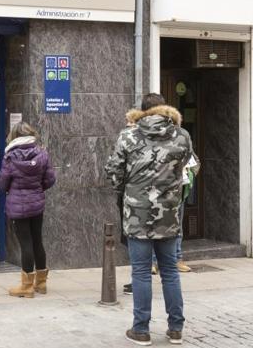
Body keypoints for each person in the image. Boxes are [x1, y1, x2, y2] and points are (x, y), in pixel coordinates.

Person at [105, 94, 193, 346]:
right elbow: (186, 164)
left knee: (141, 272)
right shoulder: (182, 135)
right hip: (169, 213)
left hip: (137, 214)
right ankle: (176, 328)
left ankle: (141, 329)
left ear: (142, 111)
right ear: (165, 108)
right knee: (170, 272)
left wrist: (129, 189)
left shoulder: (128, 136)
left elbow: (114, 174)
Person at [0, 122, 56, 298]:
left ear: (14, 136)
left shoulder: (10, 157)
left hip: (18, 205)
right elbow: (50, 179)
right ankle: (41, 282)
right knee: (37, 240)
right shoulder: (42, 153)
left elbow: (2, 184)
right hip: (37, 203)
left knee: (26, 243)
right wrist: (37, 189)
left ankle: (27, 286)